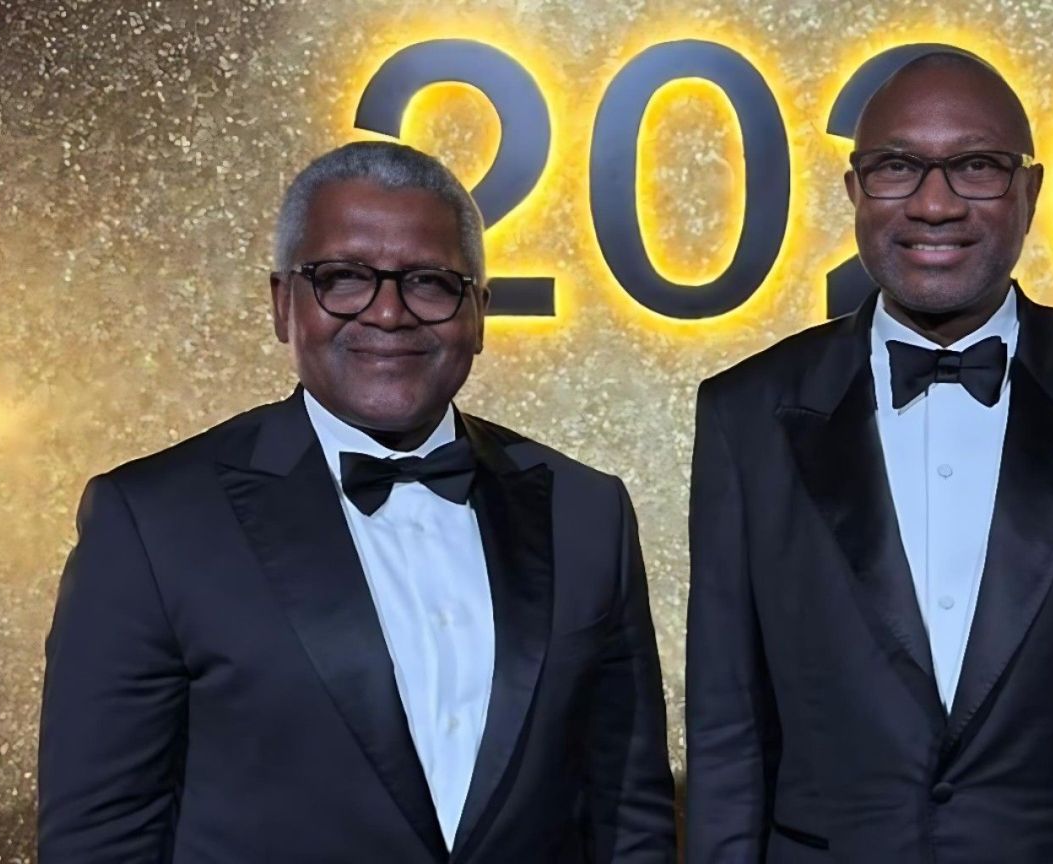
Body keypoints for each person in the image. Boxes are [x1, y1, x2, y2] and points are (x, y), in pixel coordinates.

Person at [686, 50, 1053, 862]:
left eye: (977, 167)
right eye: (896, 167)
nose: (933, 203)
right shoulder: (746, 414)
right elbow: (725, 733)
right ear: (854, 190)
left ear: (1029, 190)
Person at [38, 141, 676, 863]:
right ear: (284, 304)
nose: (389, 313)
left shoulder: (585, 510)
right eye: (344, 278)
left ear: (480, 313)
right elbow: (100, 839)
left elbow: (629, 812)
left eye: (430, 283)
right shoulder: (152, 522)